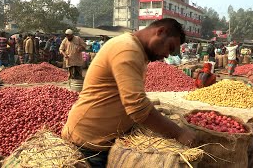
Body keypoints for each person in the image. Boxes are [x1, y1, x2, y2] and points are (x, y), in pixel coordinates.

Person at [61, 18, 198, 167]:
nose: (167, 55)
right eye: (169, 47)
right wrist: (179, 133)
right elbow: (138, 108)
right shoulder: (128, 49)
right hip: (90, 144)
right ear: (160, 31)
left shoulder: (136, 50)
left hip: (105, 140)